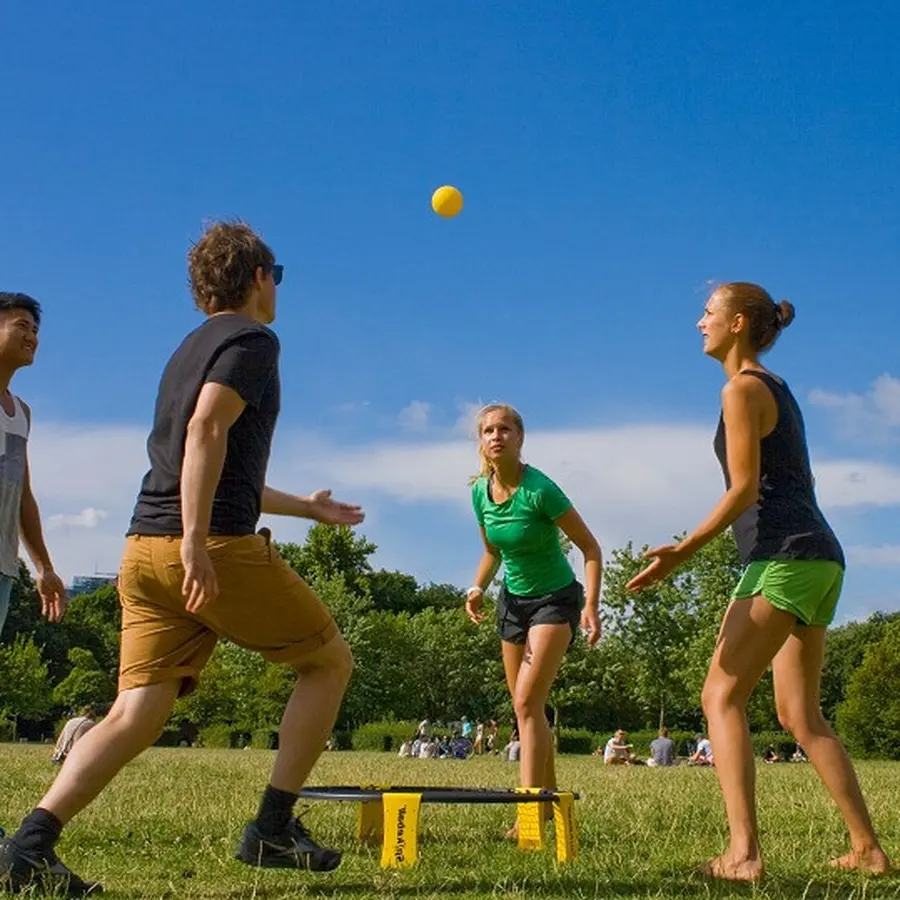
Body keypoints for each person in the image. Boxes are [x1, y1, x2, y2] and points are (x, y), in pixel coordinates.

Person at [0, 222, 364, 894]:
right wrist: (197, 541)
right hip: (209, 548)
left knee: (137, 711)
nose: (276, 287)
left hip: (142, 550)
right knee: (327, 661)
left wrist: (306, 509)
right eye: (275, 274)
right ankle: (272, 830)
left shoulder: (187, 349)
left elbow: (207, 458)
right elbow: (206, 431)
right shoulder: (255, 339)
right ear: (257, 277)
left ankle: (29, 846)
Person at [627, 282, 891, 880]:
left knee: (720, 695)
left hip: (783, 557)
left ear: (739, 323)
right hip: (821, 557)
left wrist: (682, 551)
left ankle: (743, 855)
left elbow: (743, 488)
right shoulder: (776, 388)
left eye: (708, 313)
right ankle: (868, 850)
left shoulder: (741, 389)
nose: (700, 323)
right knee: (801, 715)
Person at [464, 403, 602, 839]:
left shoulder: (540, 490)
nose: (496, 436)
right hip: (512, 602)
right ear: (481, 442)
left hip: (555, 600)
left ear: (520, 438)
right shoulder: (478, 493)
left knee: (526, 704)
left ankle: (527, 818)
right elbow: (492, 551)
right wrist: (477, 587)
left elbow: (591, 549)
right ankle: (550, 803)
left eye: (505, 429)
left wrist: (592, 606)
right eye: (488, 430)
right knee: (528, 709)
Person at [0, 293, 67, 639]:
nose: (32, 337)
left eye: (35, 329)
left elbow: (22, 495)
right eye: (21, 326)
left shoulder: (21, 413)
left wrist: (44, 567)